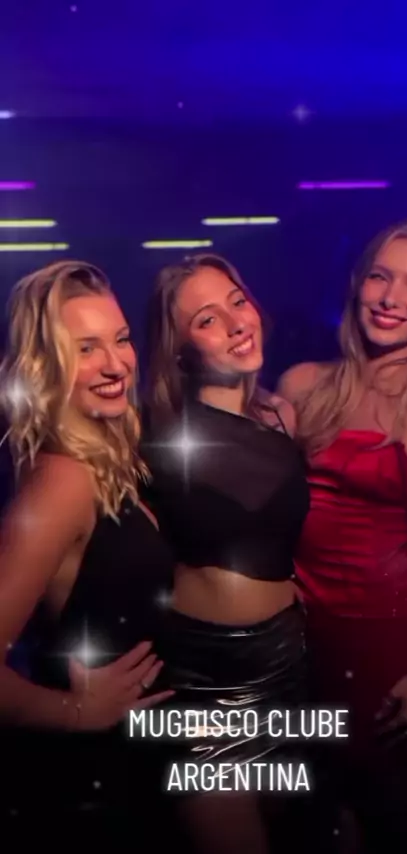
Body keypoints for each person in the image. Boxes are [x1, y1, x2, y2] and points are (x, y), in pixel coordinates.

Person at [278, 221, 407, 854]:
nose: (392, 298)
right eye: (380, 277)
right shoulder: (301, 386)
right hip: (301, 643)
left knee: (402, 827)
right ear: (357, 283)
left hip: (389, 646)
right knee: (316, 829)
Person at [142, 253, 311, 854]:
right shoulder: (152, 436)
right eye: (207, 320)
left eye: (238, 302)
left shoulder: (281, 416)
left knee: (298, 834)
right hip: (204, 675)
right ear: (180, 351)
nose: (238, 323)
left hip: (287, 659)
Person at [0, 261, 174, 838]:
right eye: (86, 349)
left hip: (140, 759)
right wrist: (77, 713)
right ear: (46, 367)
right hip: (96, 779)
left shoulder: (107, 456)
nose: (116, 363)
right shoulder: (63, 480)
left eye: (120, 340)